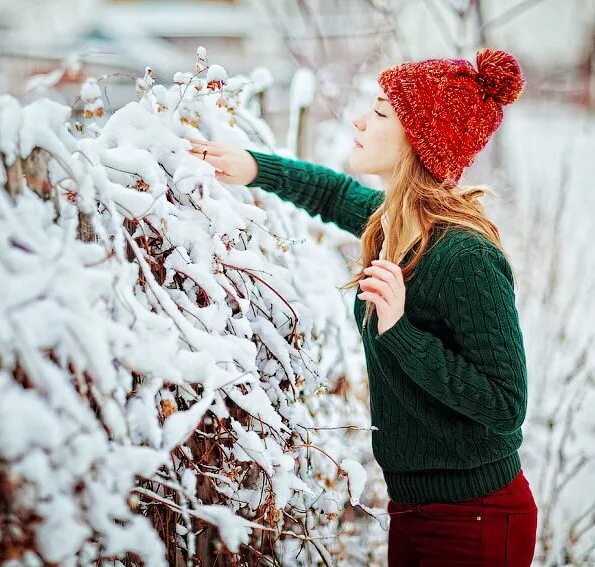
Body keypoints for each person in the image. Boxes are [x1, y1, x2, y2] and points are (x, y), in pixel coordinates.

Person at [187, 48, 537, 566]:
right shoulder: (393, 224)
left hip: (476, 518)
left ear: (416, 141)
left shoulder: (467, 258)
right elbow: (332, 194)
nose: (360, 119)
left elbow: (506, 404)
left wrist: (401, 332)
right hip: (415, 509)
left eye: (379, 112)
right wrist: (254, 166)